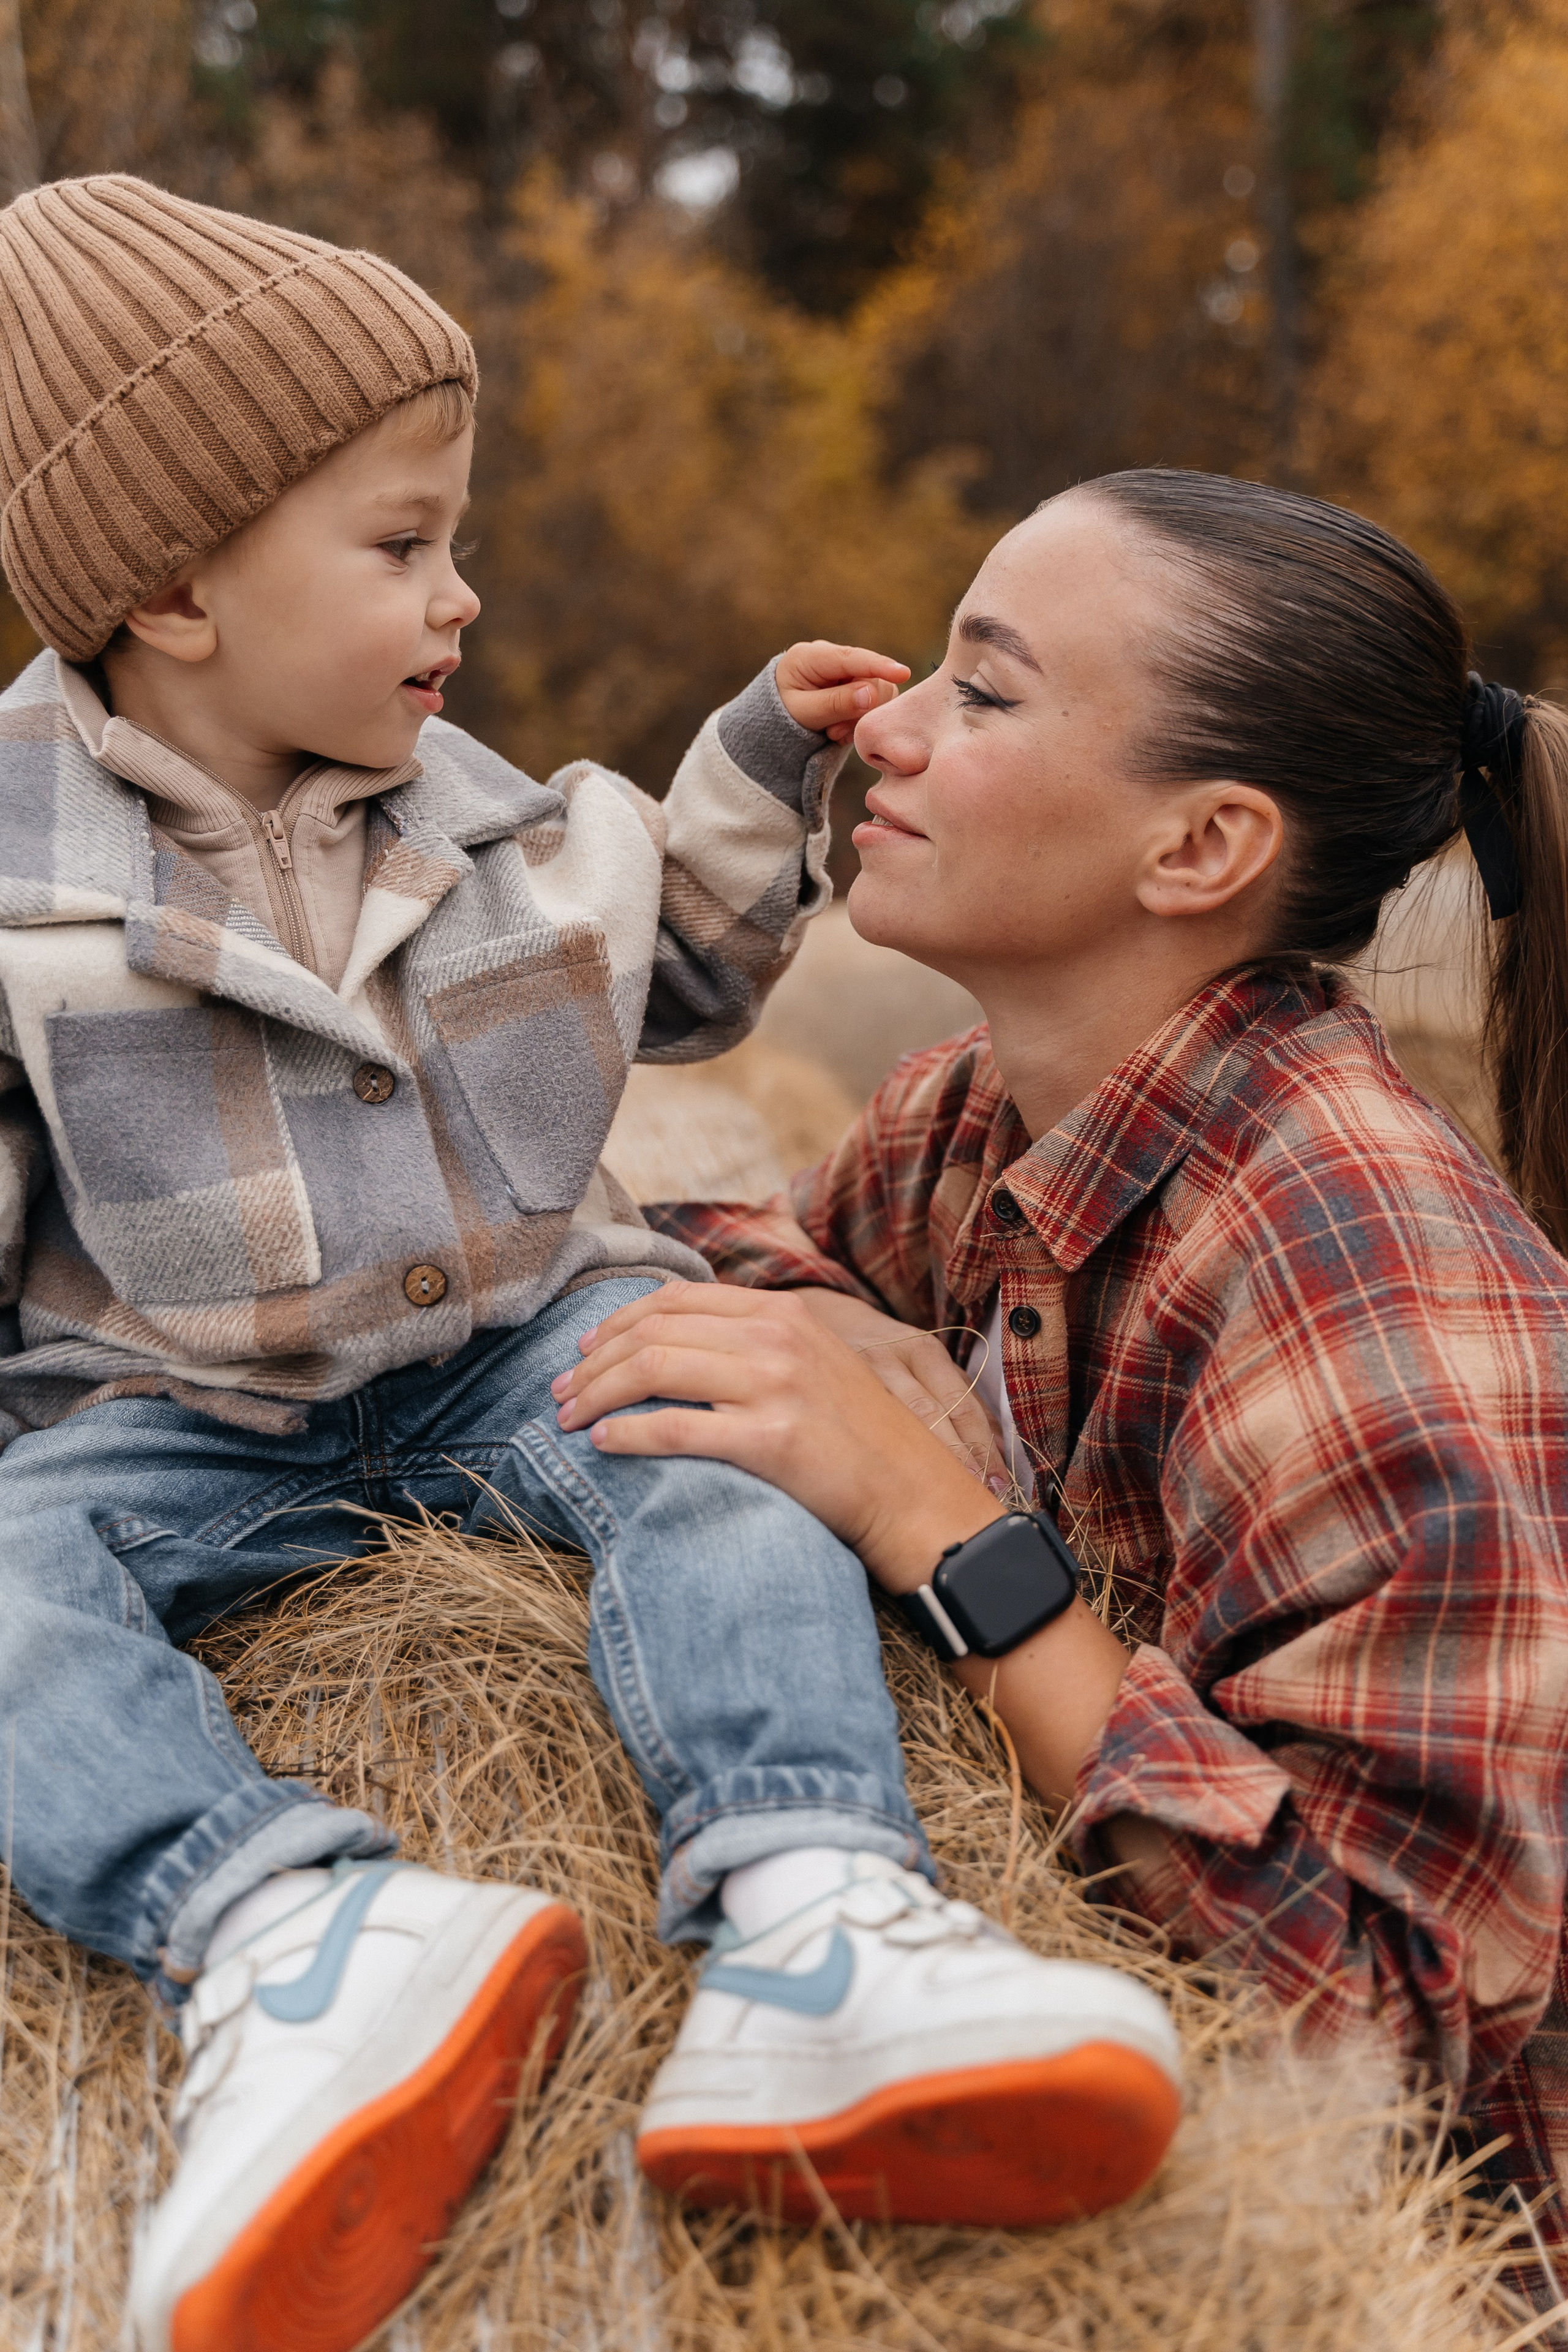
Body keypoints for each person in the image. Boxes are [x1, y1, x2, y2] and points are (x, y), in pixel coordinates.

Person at [0, 179, 1181, 2352]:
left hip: (504, 1333)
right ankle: (281, 1935)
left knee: (714, 1436)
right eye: (401, 545)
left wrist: (749, 772)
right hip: (171, 1404)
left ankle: (817, 1912)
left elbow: (671, 978)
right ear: (171, 582)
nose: (463, 593)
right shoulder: (14, 886)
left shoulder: (459, 811)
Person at [554, 467, 1568, 2284]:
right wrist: (843, 1333)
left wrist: (944, 1523)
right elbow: (725, 1257)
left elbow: (1411, 2083)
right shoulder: (974, 1117)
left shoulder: (1364, 1279)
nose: (893, 734)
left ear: (1200, 851)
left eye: (987, 692)